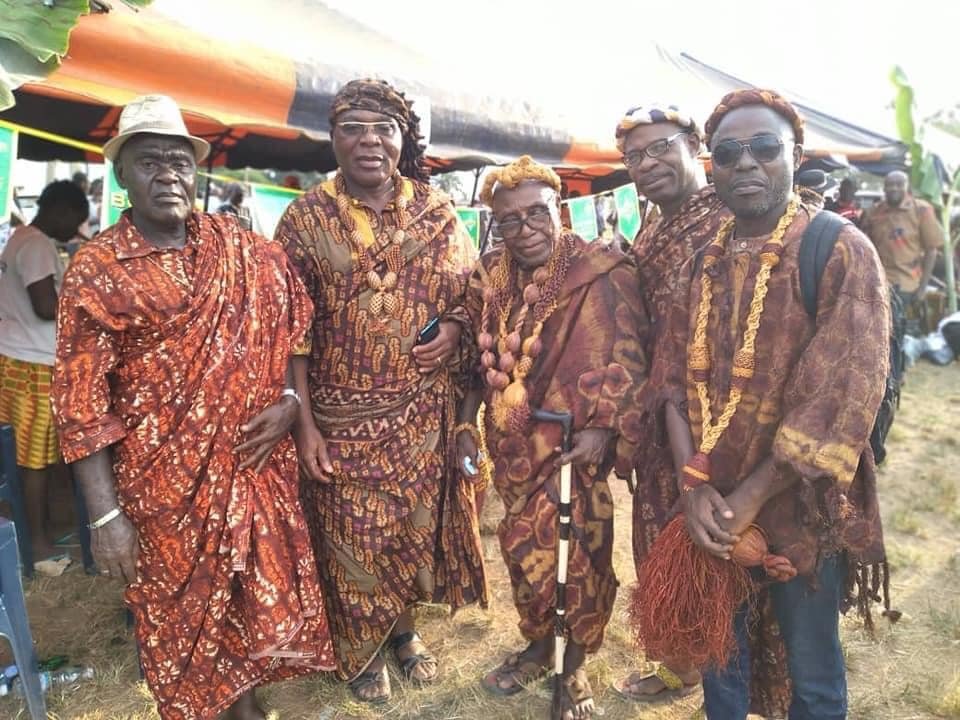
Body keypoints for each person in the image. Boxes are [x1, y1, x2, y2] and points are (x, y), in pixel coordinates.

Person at [51, 94, 335, 720]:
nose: (168, 176)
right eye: (150, 162)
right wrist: (104, 517)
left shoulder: (239, 248)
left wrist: (291, 402)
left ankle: (246, 709)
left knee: (243, 605)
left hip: (251, 470)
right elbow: (80, 403)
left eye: (179, 162)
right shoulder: (97, 270)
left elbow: (296, 319)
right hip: (162, 491)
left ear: (195, 171)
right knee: (178, 621)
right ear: (122, 174)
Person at [643, 89, 889, 719]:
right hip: (712, 505)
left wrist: (751, 496)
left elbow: (840, 396)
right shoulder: (701, 262)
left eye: (764, 147)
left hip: (799, 506)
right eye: (728, 153)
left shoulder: (839, 249)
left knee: (813, 674)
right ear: (713, 167)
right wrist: (694, 488)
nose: (746, 162)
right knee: (721, 666)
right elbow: (671, 381)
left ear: (795, 156)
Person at [275, 78, 486, 705]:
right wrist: (305, 425)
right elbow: (289, 329)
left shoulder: (437, 212)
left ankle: (402, 631)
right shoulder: (305, 219)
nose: (369, 141)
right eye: (353, 128)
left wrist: (454, 329)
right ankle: (360, 650)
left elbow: (473, 291)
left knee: (408, 534)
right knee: (350, 535)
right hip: (338, 414)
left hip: (422, 414)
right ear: (333, 139)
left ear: (402, 139)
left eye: (383, 129)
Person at [456, 155, 647, 720]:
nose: (525, 230)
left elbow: (630, 353)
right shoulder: (491, 274)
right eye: (509, 220)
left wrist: (604, 429)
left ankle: (573, 665)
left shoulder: (601, 270)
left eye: (536, 213)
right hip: (512, 442)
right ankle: (541, 647)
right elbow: (475, 360)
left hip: (573, 444)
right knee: (523, 550)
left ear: (558, 210)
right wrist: (467, 423)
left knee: (576, 553)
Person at [611, 103, 729, 702]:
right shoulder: (651, 229)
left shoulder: (729, 218)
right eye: (635, 156)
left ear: (695, 146)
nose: (647, 163)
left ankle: (725, 677)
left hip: (718, 419)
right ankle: (681, 666)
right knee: (659, 541)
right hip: (659, 418)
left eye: (660, 148)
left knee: (716, 545)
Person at [0, 180, 88, 562]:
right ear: (60, 211)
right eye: (76, 221)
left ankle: (22, 523)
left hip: (11, 357)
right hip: (34, 365)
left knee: (16, 452)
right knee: (33, 459)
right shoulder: (37, 245)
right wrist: (85, 304)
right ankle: (37, 543)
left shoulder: (19, 237)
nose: (76, 231)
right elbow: (44, 306)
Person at [860, 169, 943, 311]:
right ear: (884, 188)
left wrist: (922, 289)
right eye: (890, 184)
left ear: (907, 186)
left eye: (899, 184)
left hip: (907, 286)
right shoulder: (874, 211)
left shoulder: (921, 210)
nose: (894, 188)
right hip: (877, 284)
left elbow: (931, 250)